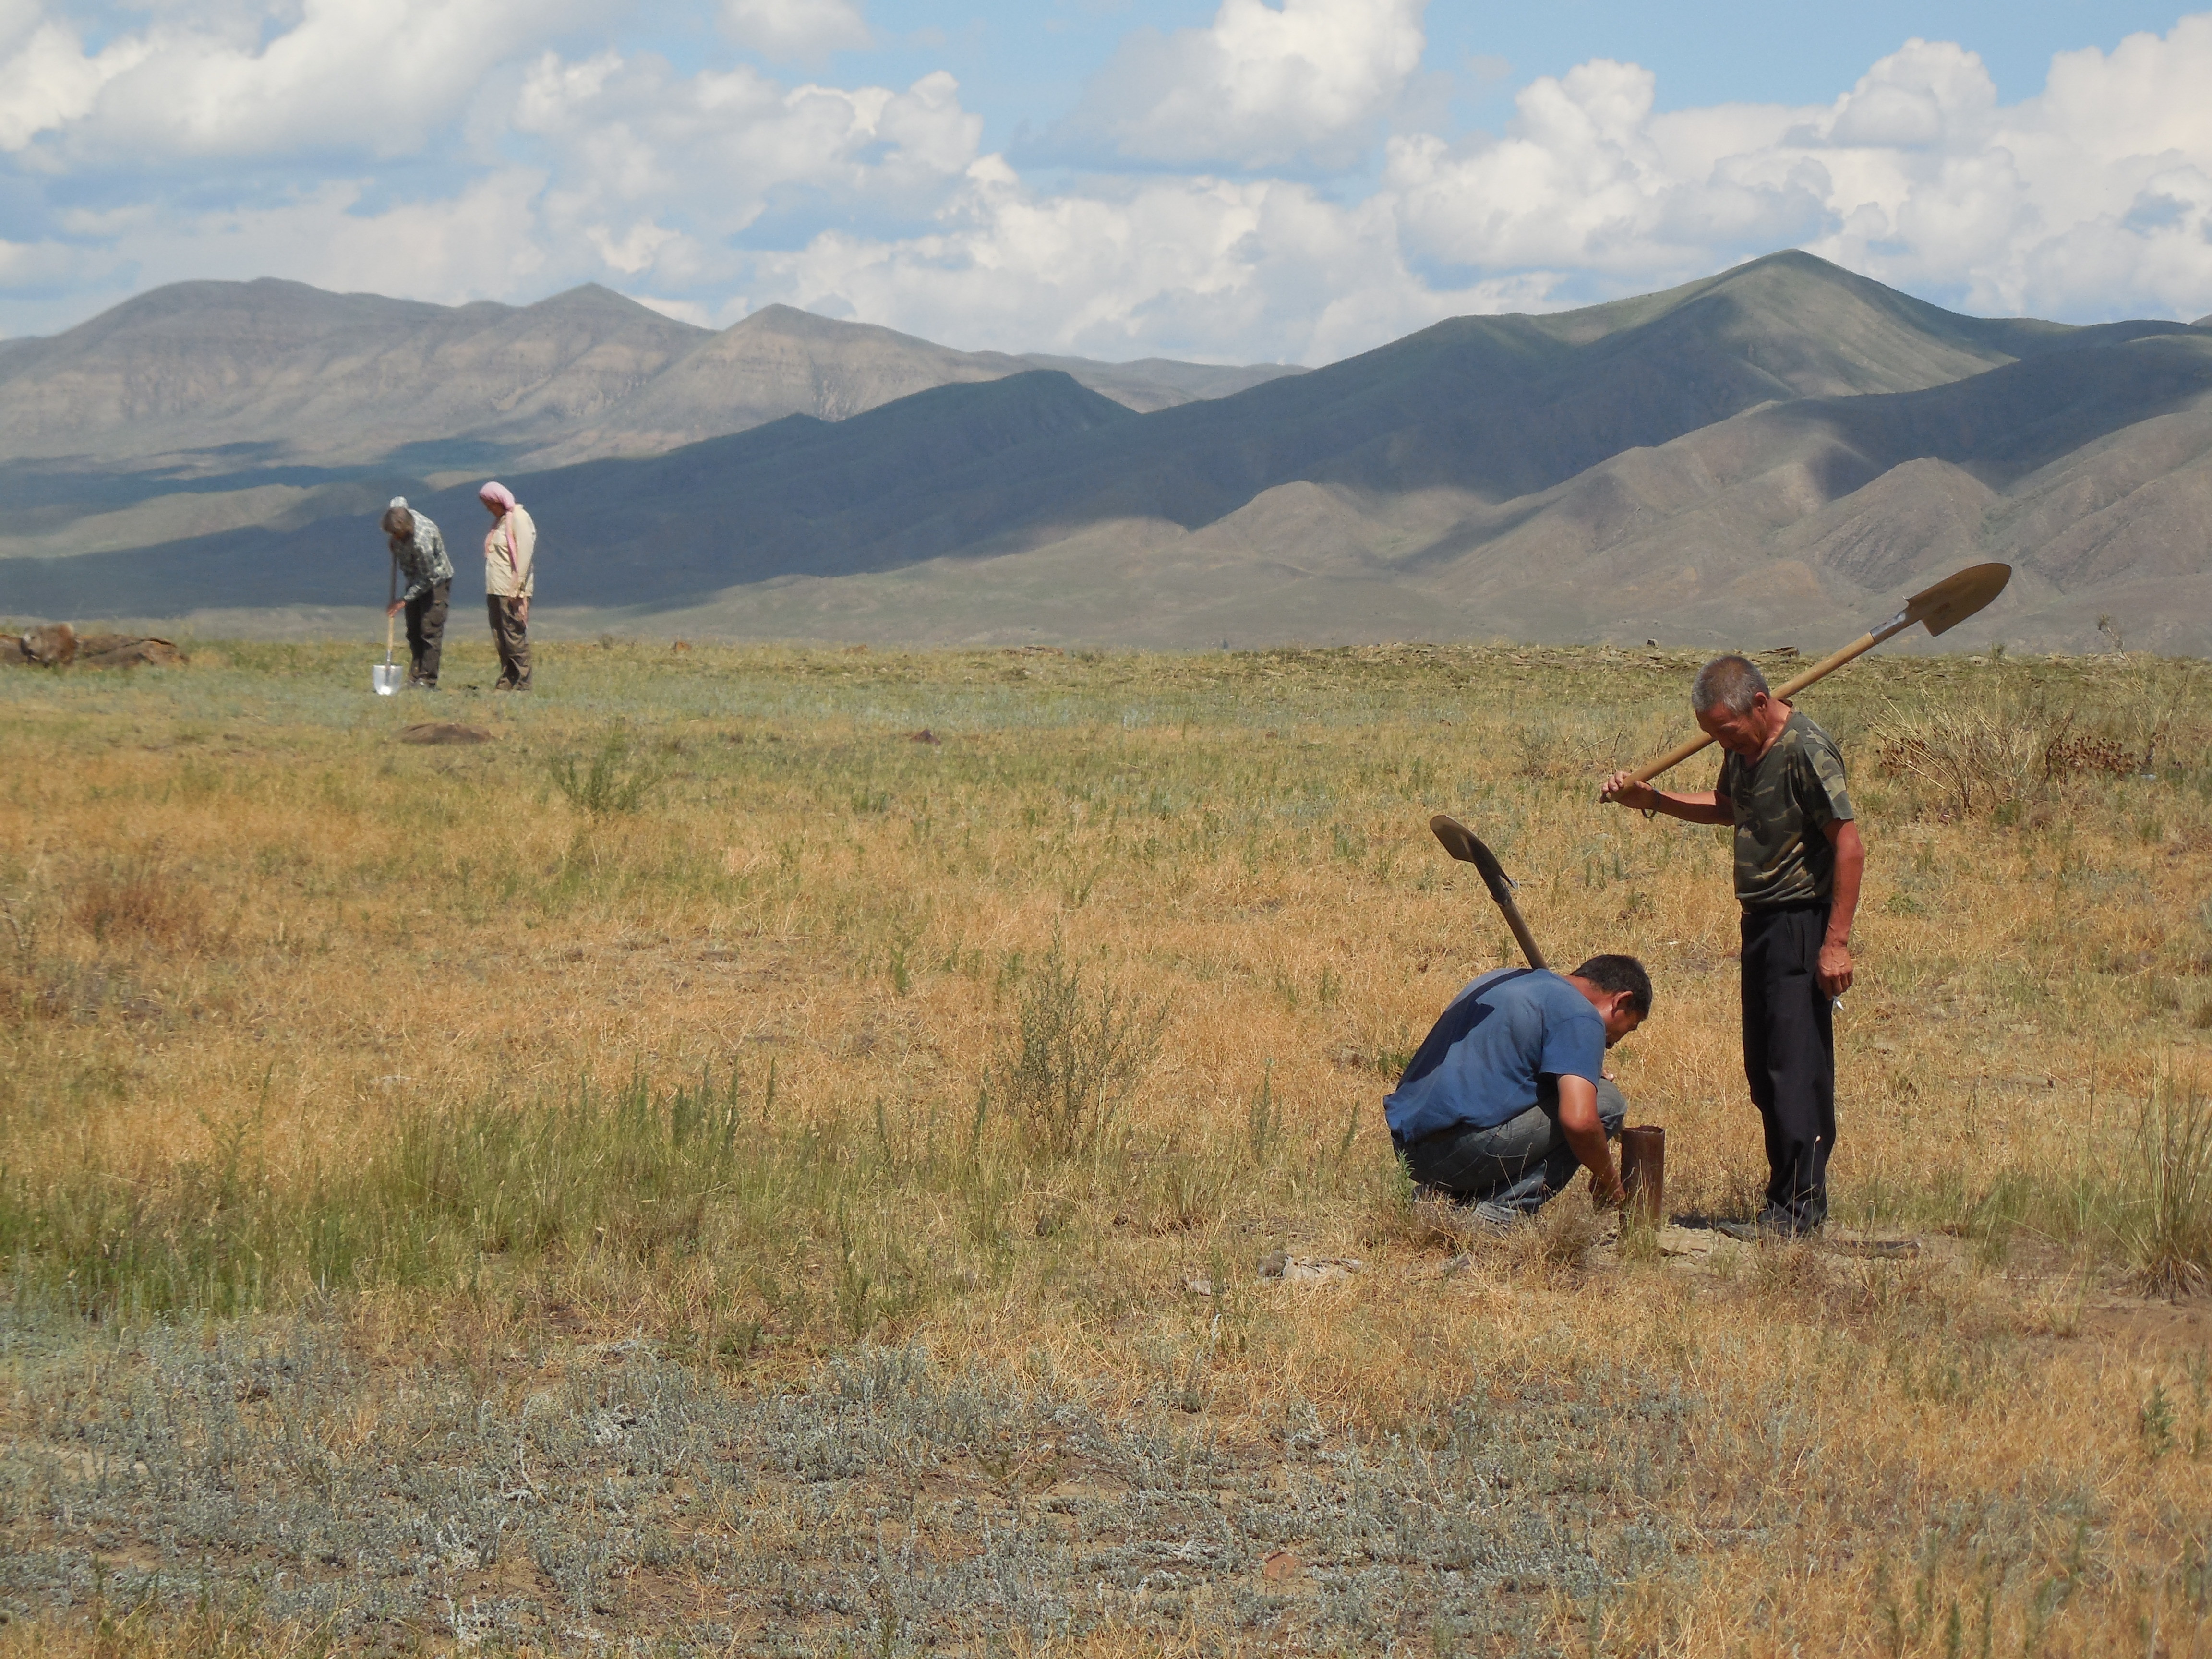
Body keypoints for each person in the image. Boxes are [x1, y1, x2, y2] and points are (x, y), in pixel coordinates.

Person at [1601, 655, 1864, 1237]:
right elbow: (1727, 809)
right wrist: (1653, 800)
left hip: (1801, 922)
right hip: (1762, 922)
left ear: (1762, 705)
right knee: (1765, 1068)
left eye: (1726, 730)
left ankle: (1800, 1212)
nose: (1721, 742)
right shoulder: (1741, 748)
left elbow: (1848, 845)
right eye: (1712, 733)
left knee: (1797, 1068)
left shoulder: (1806, 749)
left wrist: (1836, 944)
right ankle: (1784, 1202)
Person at [1386, 955, 1653, 1223]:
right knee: (1606, 1103)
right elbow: (1580, 1122)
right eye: (1628, 1028)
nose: (1612, 1044)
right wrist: (1610, 1182)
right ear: (1621, 1001)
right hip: (1459, 1150)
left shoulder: (1506, 979)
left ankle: (1450, 1202)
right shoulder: (1581, 1015)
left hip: (1410, 1148)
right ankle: (1498, 1214)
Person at [381, 497, 452, 690]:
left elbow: (428, 578)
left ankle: (427, 680)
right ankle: (415, 675)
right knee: (413, 631)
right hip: (414, 580)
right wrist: (394, 545)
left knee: (429, 630)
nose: (394, 537)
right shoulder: (399, 513)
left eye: (397, 535)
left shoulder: (422, 542)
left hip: (435, 581)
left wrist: (404, 600)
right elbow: (398, 501)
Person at [478, 480, 536, 691]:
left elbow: (525, 553)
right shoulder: (502, 522)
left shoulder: (519, 518)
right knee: (500, 636)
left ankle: (523, 681)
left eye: (489, 504)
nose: (488, 509)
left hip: (511, 589)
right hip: (496, 587)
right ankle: (508, 678)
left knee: (514, 635)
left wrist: (518, 587)